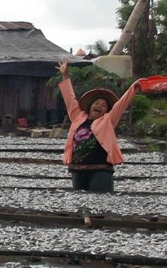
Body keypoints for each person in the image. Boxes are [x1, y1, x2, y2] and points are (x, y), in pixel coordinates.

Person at [58, 59, 140, 193]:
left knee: (99, 204)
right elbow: (69, 97)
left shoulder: (108, 120)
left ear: (107, 110)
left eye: (103, 106)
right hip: (78, 169)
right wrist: (65, 75)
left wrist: (134, 88)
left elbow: (121, 105)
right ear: (90, 106)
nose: (99, 106)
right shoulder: (78, 117)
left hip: (101, 169)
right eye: (97, 103)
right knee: (80, 204)